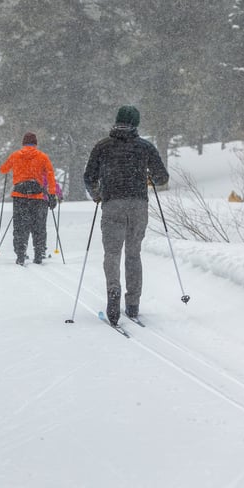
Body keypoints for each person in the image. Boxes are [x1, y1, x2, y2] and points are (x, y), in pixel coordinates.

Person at [83, 106, 169, 325]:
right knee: (133, 254)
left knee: (112, 253)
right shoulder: (144, 147)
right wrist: (148, 177)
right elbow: (162, 177)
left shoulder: (103, 146)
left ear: (117, 121)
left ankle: (113, 291)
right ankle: (133, 303)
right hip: (138, 205)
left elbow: (88, 176)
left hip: (112, 204)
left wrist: (97, 194)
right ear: (136, 123)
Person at [0, 132, 59, 266]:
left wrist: (15, 168)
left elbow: (3, 170)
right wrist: (52, 194)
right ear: (35, 144)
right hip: (38, 197)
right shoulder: (42, 157)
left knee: (20, 226)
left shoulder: (15, 155)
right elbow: (50, 175)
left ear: (23, 143)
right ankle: (39, 253)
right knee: (39, 226)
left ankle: (20, 253)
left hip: (20, 196)